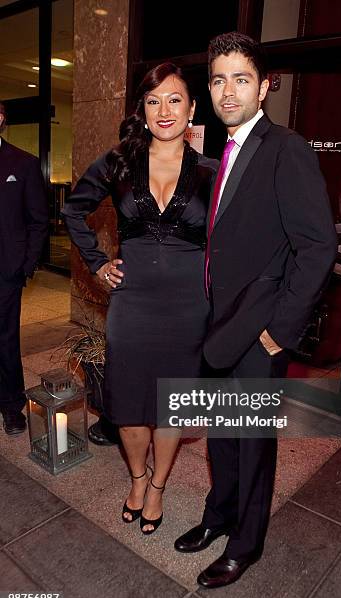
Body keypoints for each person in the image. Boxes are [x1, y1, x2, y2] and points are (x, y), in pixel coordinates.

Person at [174, 33, 338, 587]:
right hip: (222, 326)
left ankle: (246, 544)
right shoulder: (224, 153)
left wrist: (278, 332)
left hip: (259, 330)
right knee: (222, 433)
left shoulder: (285, 148)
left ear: (264, 87)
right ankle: (218, 517)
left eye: (241, 78)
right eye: (218, 79)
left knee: (251, 441)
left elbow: (316, 247)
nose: (227, 90)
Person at [62, 63, 218, 534]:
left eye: (174, 100)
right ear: (142, 110)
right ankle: (137, 476)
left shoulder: (213, 172)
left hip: (190, 309)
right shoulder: (119, 162)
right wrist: (97, 261)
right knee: (129, 406)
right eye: (153, 101)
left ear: (191, 109)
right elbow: (74, 210)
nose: (164, 110)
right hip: (132, 307)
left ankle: (158, 487)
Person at [0, 101, 48, 436]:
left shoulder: (24, 163)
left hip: (5, 270)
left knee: (4, 338)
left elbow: (38, 221)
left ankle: (11, 405)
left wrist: (24, 264)